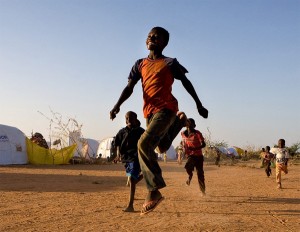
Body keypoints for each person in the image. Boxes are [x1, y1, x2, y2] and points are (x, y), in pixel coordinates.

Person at [110, 26, 208, 215]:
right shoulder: (140, 64)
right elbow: (129, 87)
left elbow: (186, 82)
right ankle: (180, 122)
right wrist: (117, 105)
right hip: (149, 113)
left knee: (143, 144)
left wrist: (199, 104)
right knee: (160, 148)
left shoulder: (170, 63)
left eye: (156, 36)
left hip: (166, 109)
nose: (151, 38)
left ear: (164, 42)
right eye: (149, 36)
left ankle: (153, 191)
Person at [114, 111, 145, 212]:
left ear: (136, 119)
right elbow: (116, 143)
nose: (128, 120)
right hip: (126, 158)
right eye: (127, 118)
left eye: (130, 118)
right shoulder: (122, 131)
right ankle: (144, 174)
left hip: (136, 157)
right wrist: (117, 155)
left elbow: (148, 143)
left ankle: (130, 205)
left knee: (131, 179)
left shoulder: (141, 131)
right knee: (132, 180)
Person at [181, 118, 206, 196]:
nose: (189, 125)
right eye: (188, 123)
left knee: (200, 174)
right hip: (190, 155)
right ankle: (190, 176)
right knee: (187, 167)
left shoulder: (197, 133)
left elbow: (203, 144)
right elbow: (183, 142)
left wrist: (195, 148)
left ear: (194, 125)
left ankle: (203, 191)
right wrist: (183, 147)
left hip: (198, 156)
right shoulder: (183, 133)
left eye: (191, 123)